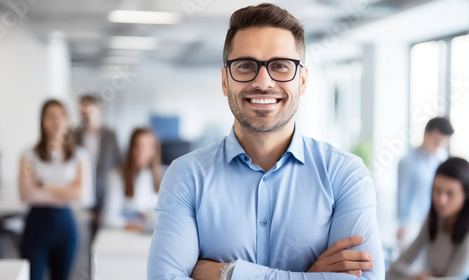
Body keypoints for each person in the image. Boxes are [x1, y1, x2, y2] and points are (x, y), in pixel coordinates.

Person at [147, 3, 384, 280]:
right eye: (246, 66)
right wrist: (310, 276)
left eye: (281, 66)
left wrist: (230, 273)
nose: (263, 81)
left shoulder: (344, 175)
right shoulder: (186, 176)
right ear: (225, 81)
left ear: (302, 81)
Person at [19, 99, 89, 280]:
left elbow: (80, 193)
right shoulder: (29, 154)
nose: (56, 122)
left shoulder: (79, 155)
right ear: (42, 121)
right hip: (37, 225)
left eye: (61, 116)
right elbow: (26, 194)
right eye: (51, 117)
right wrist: (65, 191)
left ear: (67, 120)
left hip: (65, 226)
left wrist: (42, 185)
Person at [387, 157, 469, 280]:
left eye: (450, 193)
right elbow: (394, 267)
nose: (441, 200)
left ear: (466, 195)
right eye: (437, 190)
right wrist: (416, 276)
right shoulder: (432, 219)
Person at [397, 117, 454, 247]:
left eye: (443, 142)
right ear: (426, 133)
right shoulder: (407, 162)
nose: (439, 145)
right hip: (413, 224)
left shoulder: (442, 160)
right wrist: (403, 223)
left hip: (437, 222)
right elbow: (403, 194)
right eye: (436, 140)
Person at [74, 94, 121, 235]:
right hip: (82, 196)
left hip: (105, 194)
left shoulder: (110, 135)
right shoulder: (74, 135)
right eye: (83, 112)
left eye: (89, 111)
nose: (86, 115)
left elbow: (118, 164)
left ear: (98, 109)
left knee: (102, 238)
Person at [102, 128, 162, 232]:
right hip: (123, 234)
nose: (143, 152)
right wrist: (140, 226)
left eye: (149, 147)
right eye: (139, 146)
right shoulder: (116, 176)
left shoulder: (159, 176)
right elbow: (108, 218)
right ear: (131, 149)